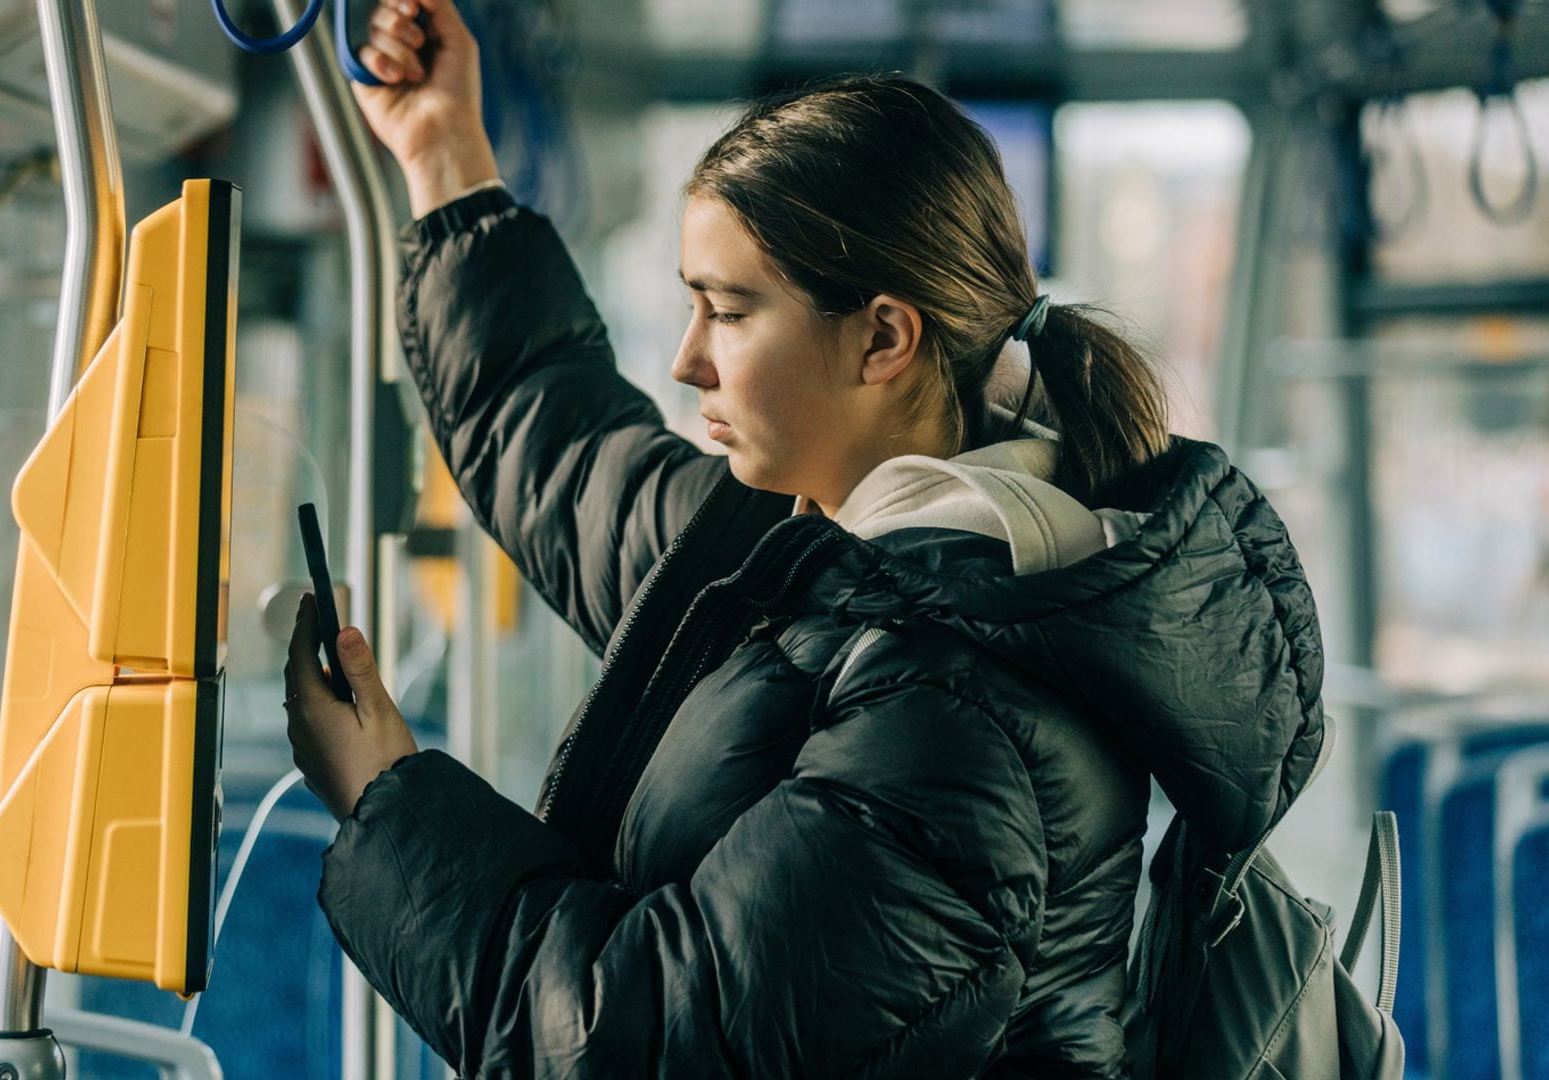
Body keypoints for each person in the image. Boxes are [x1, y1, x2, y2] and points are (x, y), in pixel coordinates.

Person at [282, 0, 1327, 1075]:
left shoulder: (958, 721)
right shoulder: (821, 562)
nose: (689, 360)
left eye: (728, 311)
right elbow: (564, 447)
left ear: (882, 336)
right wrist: (443, 150)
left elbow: (636, 1038)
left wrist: (386, 798)